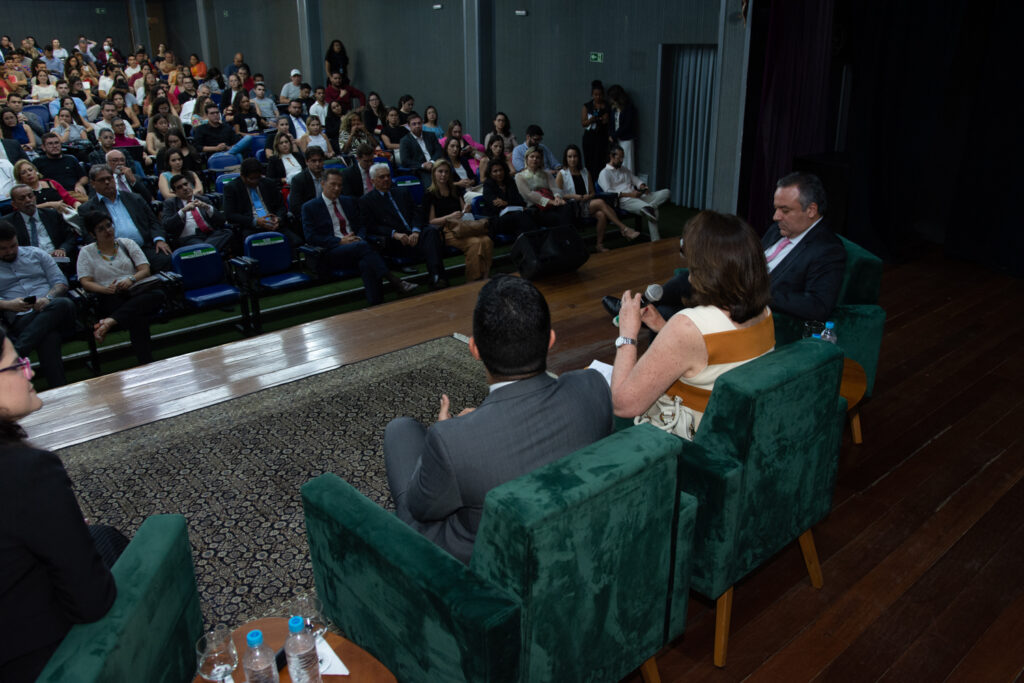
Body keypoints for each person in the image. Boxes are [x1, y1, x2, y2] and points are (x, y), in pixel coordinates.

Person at [384, 275, 613, 563]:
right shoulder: (593, 387)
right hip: (575, 538)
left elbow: (421, 508)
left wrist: (444, 430)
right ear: (551, 340)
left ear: (474, 349)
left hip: (488, 562)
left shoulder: (450, 440)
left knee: (400, 430)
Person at [0, 329, 119, 681]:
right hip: (34, 662)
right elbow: (92, 602)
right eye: (15, 364)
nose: (30, 371)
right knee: (110, 542)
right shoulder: (26, 472)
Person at [610, 210, 775, 440]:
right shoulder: (765, 312)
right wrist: (663, 327)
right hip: (734, 427)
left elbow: (624, 406)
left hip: (687, 439)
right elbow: (713, 356)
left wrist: (627, 335)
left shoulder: (688, 326)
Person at [302, 168, 417, 306]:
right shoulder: (309, 207)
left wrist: (359, 237)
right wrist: (340, 241)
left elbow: (362, 226)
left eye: (340, 185)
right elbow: (311, 237)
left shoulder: (348, 201)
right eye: (333, 184)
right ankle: (395, 281)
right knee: (364, 248)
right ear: (322, 184)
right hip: (331, 251)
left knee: (366, 262)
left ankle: (377, 304)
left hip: (357, 246)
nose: (337, 188)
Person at [75, 211, 165, 362]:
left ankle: (109, 321)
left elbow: (145, 269)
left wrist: (131, 279)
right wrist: (104, 289)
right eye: (101, 229)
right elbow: (85, 282)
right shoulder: (86, 252)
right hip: (109, 297)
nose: (107, 231)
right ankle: (146, 361)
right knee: (138, 316)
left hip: (134, 291)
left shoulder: (127, 243)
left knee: (157, 295)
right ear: (92, 234)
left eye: (109, 226)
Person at [0, 221, 74, 387]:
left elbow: (60, 282)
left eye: (13, 246)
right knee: (49, 336)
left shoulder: (36, 254)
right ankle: (59, 388)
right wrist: (8, 304)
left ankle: (17, 354)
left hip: (53, 308)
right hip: (22, 318)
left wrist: (47, 298)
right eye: (3, 249)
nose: (10, 251)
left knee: (63, 304)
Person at [359, 162, 448, 288]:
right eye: (382, 177)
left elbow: (417, 213)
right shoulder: (367, 201)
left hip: (414, 235)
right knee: (429, 236)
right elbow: (371, 227)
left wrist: (416, 231)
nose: (386, 179)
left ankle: (436, 276)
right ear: (373, 180)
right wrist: (394, 234)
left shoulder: (402, 192)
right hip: (395, 241)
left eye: (388, 176)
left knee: (430, 232)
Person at [79, 164, 172, 273]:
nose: (107, 182)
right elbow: (89, 237)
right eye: (102, 180)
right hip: (114, 255)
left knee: (166, 259)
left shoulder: (134, 198)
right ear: (93, 184)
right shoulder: (87, 209)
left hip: (144, 248)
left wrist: (159, 239)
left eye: (109, 178)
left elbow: (154, 222)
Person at [556, 144, 639, 251]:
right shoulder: (562, 174)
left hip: (586, 203)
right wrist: (575, 196)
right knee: (600, 202)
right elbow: (558, 194)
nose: (573, 159)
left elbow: (592, 192)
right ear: (566, 158)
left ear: (579, 158)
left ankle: (599, 245)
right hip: (572, 206)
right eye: (570, 157)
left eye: (575, 156)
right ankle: (624, 229)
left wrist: (586, 197)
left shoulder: (585, 172)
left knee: (601, 214)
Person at [422, 160, 492, 281]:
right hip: (446, 230)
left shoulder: (455, 190)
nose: (443, 174)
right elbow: (431, 221)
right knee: (474, 243)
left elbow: (463, 210)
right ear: (434, 173)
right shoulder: (429, 194)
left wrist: (466, 209)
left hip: (462, 226)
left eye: (446, 172)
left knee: (486, 240)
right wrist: (450, 217)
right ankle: (474, 280)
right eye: (440, 171)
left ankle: (485, 276)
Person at [223, 158, 303, 247]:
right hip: (250, 227)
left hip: (273, 225)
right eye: (252, 179)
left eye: (258, 178)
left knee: (297, 242)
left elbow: (281, 206)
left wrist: (278, 219)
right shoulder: (232, 188)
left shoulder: (268, 183)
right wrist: (256, 222)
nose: (255, 182)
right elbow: (230, 215)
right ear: (242, 176)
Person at [597, 145, 669, 239]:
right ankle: (656, 240)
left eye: (623, 157)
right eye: (620, 158)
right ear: (611, 156)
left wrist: (643, 187)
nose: (622, 160)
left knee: (666, 192)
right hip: (625, 201)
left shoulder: (624, 169)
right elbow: (609, 193)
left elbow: (636, 180)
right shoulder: (604, 173)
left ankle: (652, 206)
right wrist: (631, 194)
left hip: (638, 196)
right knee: (651, 210)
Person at [161, 173, 233, 254]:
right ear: (175, 192)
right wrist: (183, 211)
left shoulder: (203, 199)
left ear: (190, 184)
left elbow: (221, 220)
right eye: (179, 187)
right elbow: (166, 225)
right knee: (200, 245)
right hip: (190, 238)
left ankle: (206, 250)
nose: (184, 188)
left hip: (210, 234)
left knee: (227, 232)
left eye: (185, 184)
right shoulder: (170, 203)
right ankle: (208, 250)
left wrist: (207, 207)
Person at [7, 184, 77, 265]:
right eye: (22, 198)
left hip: (57, 262)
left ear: (35, 197)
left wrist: (62, 249)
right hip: (27, 265)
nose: (28, 200)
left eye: (30, 196)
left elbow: (70, 237)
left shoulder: (53, 215)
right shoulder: (8, 223)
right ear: (14, 204)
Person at [515, 147, 573, 227]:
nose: (535, 159)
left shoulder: (546, 174)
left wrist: (557, 198)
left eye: (538, 157)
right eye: (532, 157)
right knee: (556, 218)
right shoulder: (519, 176)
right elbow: (529, 195)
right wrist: (550, 202)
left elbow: (554, 188)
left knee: (567, 208)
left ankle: (566, 236)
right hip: (535, 207)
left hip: (552, 203)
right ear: (526, 159)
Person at [481, 158, 534, 239]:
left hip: (515, 217)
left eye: (501, 170)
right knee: (521, 217)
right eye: (495, 171)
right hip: (498, 220)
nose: (499, 173)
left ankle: (528, 247)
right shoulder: (488, 185)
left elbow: (520, 201)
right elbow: (495, 207)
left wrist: (506, 203)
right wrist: (511, 203)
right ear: (490, 174)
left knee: (529, 215)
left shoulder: (510, 182)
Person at [13, 159, 80, 214]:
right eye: (23, 173)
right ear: (19, 178)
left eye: (30, 170)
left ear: (36, 171)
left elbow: (69, 199)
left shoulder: (51, 183)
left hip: (64, 215)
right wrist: (49, 204)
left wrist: (77, 206)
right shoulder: (21, 192)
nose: (29, 173)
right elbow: (22, 210)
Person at [32, 133, 88, 198]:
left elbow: (84, 177)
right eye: (50, 144)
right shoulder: (38, 162)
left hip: (73, 193)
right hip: (52, 196)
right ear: (43, 147)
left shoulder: (70, 159)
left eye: (57, 143)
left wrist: (79, 184)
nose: (55, 146)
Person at [192, 101, 256, 157]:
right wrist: (216, 148)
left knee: (248, 138)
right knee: (237, 155)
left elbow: (236, 143)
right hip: (214, 156)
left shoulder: (226, 127)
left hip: (229, 152)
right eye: (212, 113)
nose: (215, 115)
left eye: (217, 113)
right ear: (207, 115)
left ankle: (229, 154)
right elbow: (198, 147)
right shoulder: (201, 129)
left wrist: (228, 148)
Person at [399, 112, 443, 185]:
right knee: (430, 185)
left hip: (435, 165)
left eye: (419, 123)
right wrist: (423, 165)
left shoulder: (430, 135)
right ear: (409, 126)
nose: (417, 126)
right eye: (414, 124)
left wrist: (432, 162)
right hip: (420, 169)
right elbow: (405, 160)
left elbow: (438, 151)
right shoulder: (405, 141)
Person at [581, 80, 611, 181]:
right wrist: (591, 120)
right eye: (595, 95)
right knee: (589, 161)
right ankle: (590, 183)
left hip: (602, 137)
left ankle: (600, 182)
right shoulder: (587, 106)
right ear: (592, 95)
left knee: (601, 161)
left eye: (600, 95)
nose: (598, 97)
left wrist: (603, 119)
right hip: (590, 137)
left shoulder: (607, 106)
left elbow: (607, 121)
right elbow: (583, 123)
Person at [607, 84, 638, 171]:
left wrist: (614, 135)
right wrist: (611, 135)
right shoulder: (614, 109)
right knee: (616, 162)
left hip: (626, 139)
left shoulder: (628, 108)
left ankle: (628, 183)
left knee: (627, 162)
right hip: (617, 140)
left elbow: (627, 125)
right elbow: (612, 123)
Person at [288, 146, 326, 215]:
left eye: (320, 160)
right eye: (314, 161)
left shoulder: (329, 177)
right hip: (310, 216)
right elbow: (295, 207)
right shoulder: (298, 180)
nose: (317, 164)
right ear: (306, 162)